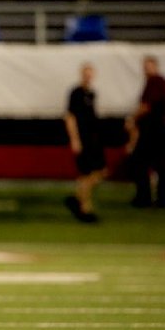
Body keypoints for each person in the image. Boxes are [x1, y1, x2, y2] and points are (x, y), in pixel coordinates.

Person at [125, 56, 165, 209]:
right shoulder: (158, 83)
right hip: (158, 129)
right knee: (159, 165)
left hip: (154, 131)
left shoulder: (155, 82)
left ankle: (146, 198)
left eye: (149, 66)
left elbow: (146, 106)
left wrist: (131, 119)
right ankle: (160, 198)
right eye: (145, 66)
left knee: (140, 162)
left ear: (156, 67)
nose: (146, 69)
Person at [63, 63, 106, 223]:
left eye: (90, 74)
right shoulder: (76, 93)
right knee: (86, 174)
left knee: (99, 172)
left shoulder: (92, 93)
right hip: (83, 139)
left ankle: (76, 200)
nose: (88, 76)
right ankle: (85, 207)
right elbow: (70, 117)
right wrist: (75, 139)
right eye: (85, 73)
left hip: (93, 139)